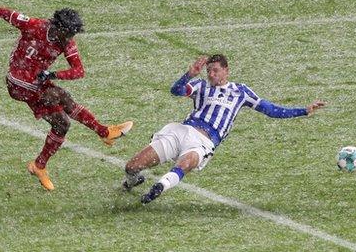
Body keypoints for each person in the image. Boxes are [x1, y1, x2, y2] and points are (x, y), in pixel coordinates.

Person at [0, 7, 133, 191]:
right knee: (62, 96)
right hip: (17, 81)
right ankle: (103, 132)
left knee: (62, 124)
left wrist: (53, 74)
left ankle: (39, 165)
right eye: (68, 33)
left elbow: (79, 71)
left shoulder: (66, 42)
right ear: (58, 27)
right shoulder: (34, 25)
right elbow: (2, 12)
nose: (69, 38)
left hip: (36, 83)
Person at [121, 54, 325, 204]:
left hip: (205, 141)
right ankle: (132, 181)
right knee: (131, 166)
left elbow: (270, 110)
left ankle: (160, 187)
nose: (211, 74)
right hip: (182, 131)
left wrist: (303, 110)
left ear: (227, 71)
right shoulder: (201, 86)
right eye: (209, 70)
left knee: (187, 163)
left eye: (215, 70)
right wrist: (189, 74)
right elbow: (176, 91)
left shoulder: (240, 91)